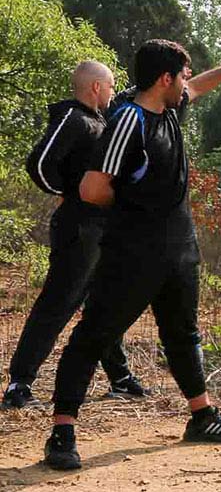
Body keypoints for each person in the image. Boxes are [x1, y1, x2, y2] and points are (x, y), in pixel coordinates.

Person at [43, 40, 221, 470]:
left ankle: (202, 417)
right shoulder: (128, 122)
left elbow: (200, 87)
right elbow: (92, 189)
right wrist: (137, 212)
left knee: (183, 334)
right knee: (94, 335)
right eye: (183, 76)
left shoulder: (167, 109)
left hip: (179, 251)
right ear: (164, 79)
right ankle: (62, 431)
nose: (187, 84)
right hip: (133, 254)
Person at [3, 61, 148, 409]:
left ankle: (121, 378)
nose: (113, 94)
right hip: (78, 228)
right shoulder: (73, 117)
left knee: (104, 304)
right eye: (110, 87)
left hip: (100, 230)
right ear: (96, 87)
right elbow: (38, 164)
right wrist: (70, 192)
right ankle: (19, 384)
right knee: (58, 303)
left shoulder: (99, 121)